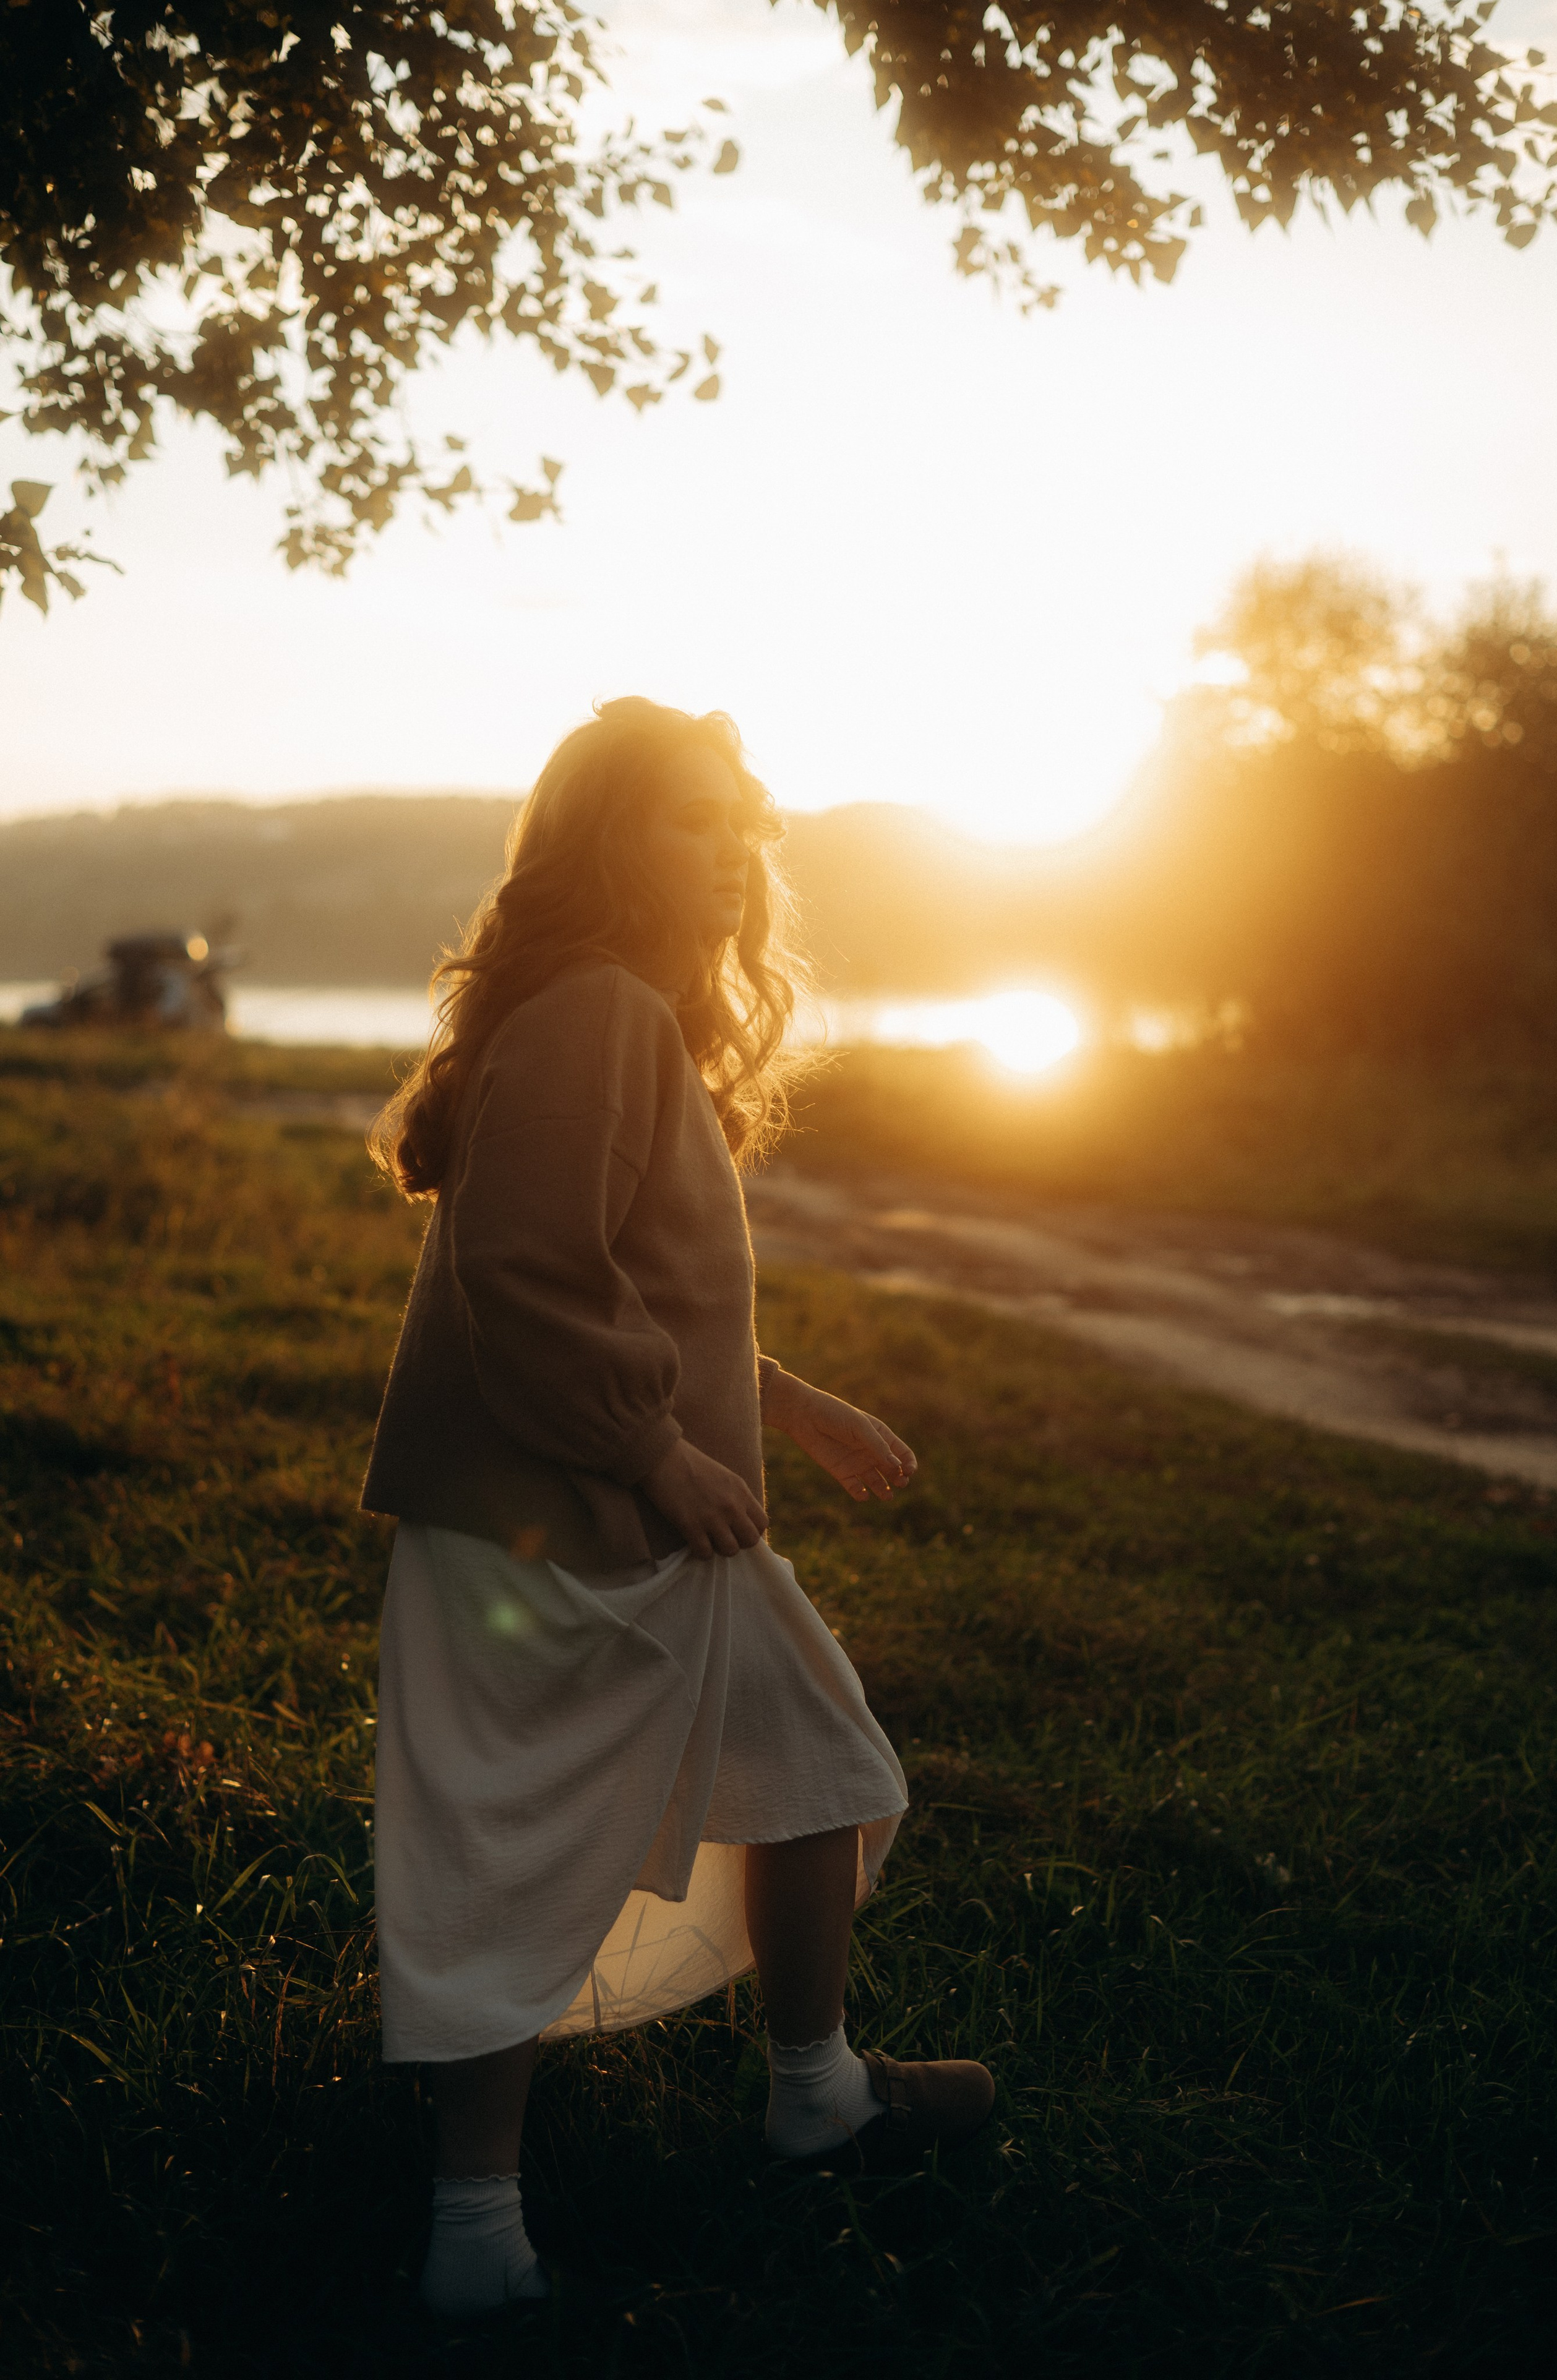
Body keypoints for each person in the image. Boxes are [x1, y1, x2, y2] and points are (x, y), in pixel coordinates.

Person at [364, 698, 994, 2319]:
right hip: (564, 1527)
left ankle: (814, 2090)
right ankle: (479, 2237)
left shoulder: (617, 1012)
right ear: (603, 843)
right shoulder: (596, 1012)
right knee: (515, 1854)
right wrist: (660, 1456)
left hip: (619, 1522)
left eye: (745, 825)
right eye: (693, 821)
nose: (733, 854)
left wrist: (790, 1402)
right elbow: (528, 1275)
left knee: (812, 1768)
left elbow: (647, 1279)